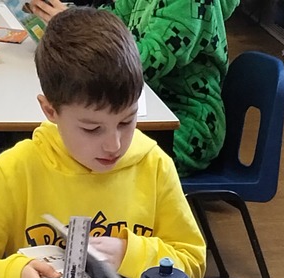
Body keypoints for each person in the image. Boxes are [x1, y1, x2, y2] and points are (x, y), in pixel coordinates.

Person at [0, 6, 205, 278]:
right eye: (92, 129)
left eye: (127, 121)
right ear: (50, 111)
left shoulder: (154, 166)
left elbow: (193, 261)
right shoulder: (14, 170)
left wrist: (130, 254)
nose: (114, 144)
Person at [25, 0, 239, 173]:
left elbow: (144, 63)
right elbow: (110, 20)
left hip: (188, 124)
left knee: (74, 152)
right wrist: (71, 20)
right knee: (70, 141)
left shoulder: (192, 3)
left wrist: (73, 28)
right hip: (135, 109)